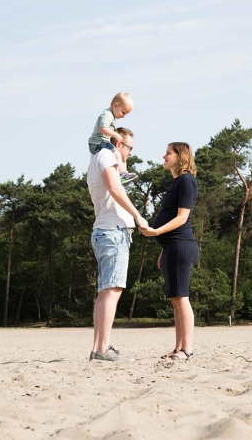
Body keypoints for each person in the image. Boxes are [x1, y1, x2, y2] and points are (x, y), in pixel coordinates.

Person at [87, 126, 148, 361]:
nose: (130, 152)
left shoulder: (99, 158)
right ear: (118, 143)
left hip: (107, 231)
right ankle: (102, 350)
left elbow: (119, 178)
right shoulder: (105, 156)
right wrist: (138, 215)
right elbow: (114, 189)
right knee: (112, 292)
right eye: (129, 147)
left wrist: (120, 158)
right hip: (112, 232)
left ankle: (98, 349)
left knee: (106, 292)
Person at [139, 142, 198, 360]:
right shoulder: (177, 182)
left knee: (182, 298)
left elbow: (182, 218)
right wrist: (163, 249)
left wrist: (156, 232)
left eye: (168, 153)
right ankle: (178, 348)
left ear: (180, 157)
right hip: (172, 247)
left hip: (181, 244)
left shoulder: (187, 181)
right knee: (175, 298)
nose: (164, 156)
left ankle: (187, 349)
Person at [88, 92, 138, 185]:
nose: (123, 116)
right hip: (98, 142)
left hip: (99, 142)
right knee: (117, 155)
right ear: (116, 105)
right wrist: (115, 135)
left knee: (118, 155)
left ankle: (122, 174)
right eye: (123, 112)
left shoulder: (111, 115)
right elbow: (102, 128)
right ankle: (122, 174)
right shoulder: (107, 115)